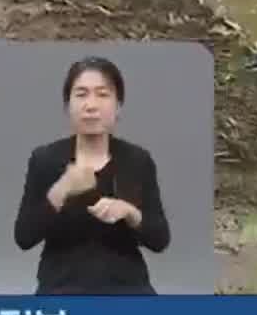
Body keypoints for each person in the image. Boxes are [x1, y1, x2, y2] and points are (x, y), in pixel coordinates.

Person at [13, 56, 170, 294]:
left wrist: (129, 213)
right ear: (68, 106)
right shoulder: (46, 160)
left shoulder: (136, 160)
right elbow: (24, 237)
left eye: (102, 94)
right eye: (81, 94)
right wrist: (61, 189)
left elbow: (159, 240)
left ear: (118, 106)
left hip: (128, 289)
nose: (91, 105)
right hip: (62, 289)